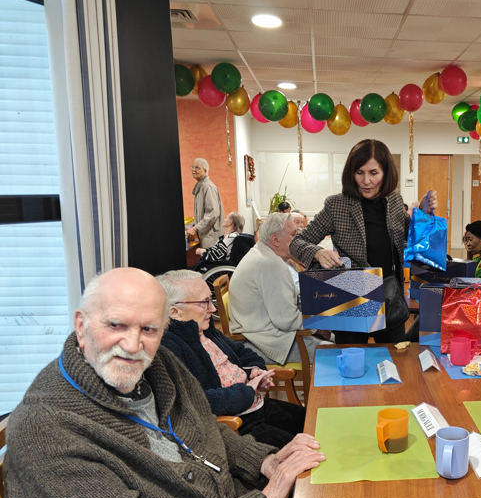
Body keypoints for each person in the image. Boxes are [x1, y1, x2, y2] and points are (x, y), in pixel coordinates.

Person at [2, 267, 353, 498]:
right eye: (116, 325)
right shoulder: (45, 429)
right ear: (81, 325)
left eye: (148, 329)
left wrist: (265, 461)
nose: (132, 344)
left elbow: (203, 429)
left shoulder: (161, 365)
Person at [290, 139, 437, 344]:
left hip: (389, 298)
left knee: (397, 362)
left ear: (386, 173)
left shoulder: (393, 201)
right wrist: (318, 253)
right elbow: (296, 242)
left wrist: (423, 214)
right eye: (359, 172)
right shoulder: (337, 205)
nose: (365, 180)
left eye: (373, 173)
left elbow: (411, 238)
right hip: (350, 300)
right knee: (351, 368)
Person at [158, 270, 307, 448]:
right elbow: (197, 401)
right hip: (236, 426)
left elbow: (244, 352)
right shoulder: (169, 348)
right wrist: (247, 391)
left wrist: (255, 371)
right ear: (175, 312)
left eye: (210, 300)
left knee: (313, 421)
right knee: (304, 448)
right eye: (204, 303)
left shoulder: (205, 330)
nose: (213, 309)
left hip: (256, 406)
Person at [229, 213, 332, 365]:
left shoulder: (262, 253)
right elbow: (286, 320)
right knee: (337, 353)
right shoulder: (269, 263)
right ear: (275, 240)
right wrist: (318, 328)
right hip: (264, 343)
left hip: (265, 336)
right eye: (293, 235)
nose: (298, 241)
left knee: (337, 337)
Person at [186, 158, 225, 249]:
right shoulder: (201, 185)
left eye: (197, 167)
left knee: (210, 262)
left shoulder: (207, 187)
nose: (193, 170)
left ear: (205, 170)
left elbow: (213, 213)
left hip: (211, 236)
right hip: (205, 234)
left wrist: (196, 228)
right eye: (192, 167)